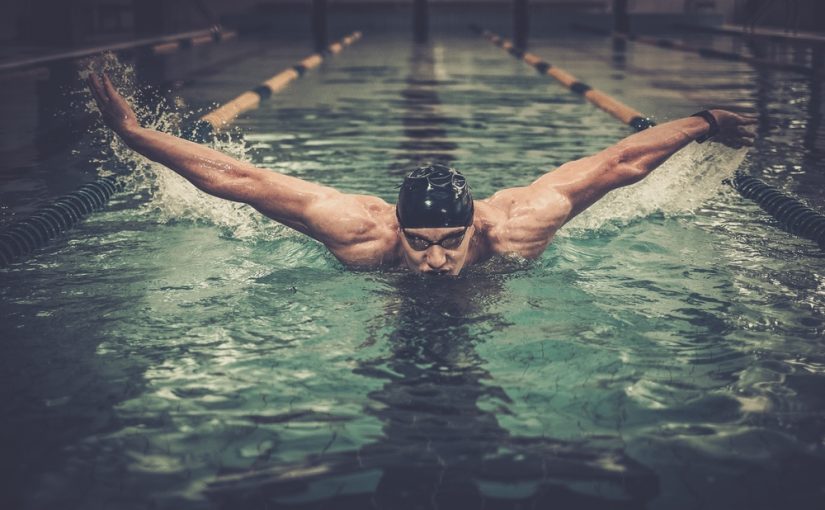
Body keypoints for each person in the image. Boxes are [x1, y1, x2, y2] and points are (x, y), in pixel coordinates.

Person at [88, 73, 756, 276]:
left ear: (474, 225)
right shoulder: (356, 231)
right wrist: (134, 135)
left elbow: (619, 163)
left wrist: (705, 120)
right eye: (419, 241)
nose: (434, 259)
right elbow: (234, 179)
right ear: (396, 227)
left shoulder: (521, 223)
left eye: (448, 241)